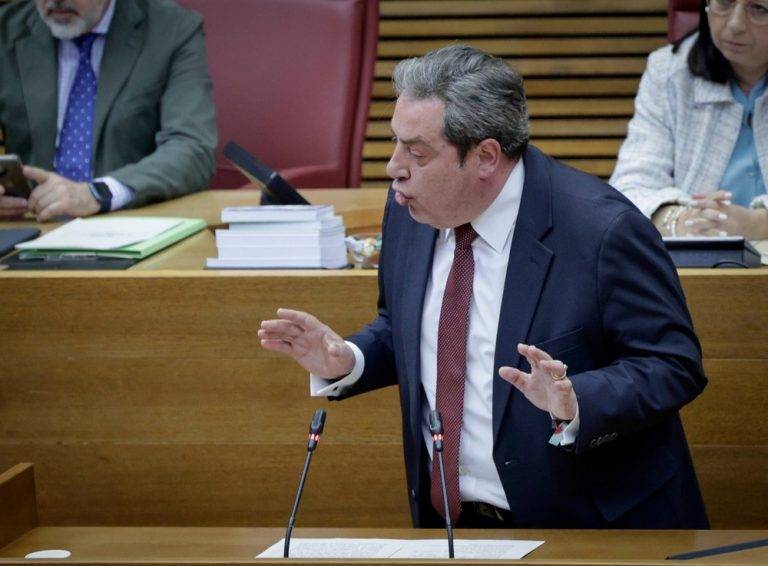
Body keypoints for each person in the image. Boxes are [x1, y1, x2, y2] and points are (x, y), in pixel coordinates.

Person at [260, 45, 710, 529]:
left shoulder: (602, 230)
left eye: (416, 152)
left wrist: (577, 399)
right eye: (395, 143)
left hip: (589, 528)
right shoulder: (410, 210)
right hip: (453, 527)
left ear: (485, 157)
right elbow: (407, 326)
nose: (394, 167)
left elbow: (673, 364)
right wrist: (349, 359)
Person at [0, 0, 217, 222]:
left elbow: (192, 147)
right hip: (30, 224)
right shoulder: (6, 28)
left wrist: (98, 193)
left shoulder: (171, 29)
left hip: (130, 223)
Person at [610, 0, 768, 239]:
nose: (735, 24)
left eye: (759, 8)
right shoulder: (668, 72)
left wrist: (757, 225)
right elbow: (630, 187)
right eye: (724, 2)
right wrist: (682, 221)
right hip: (693, 258)